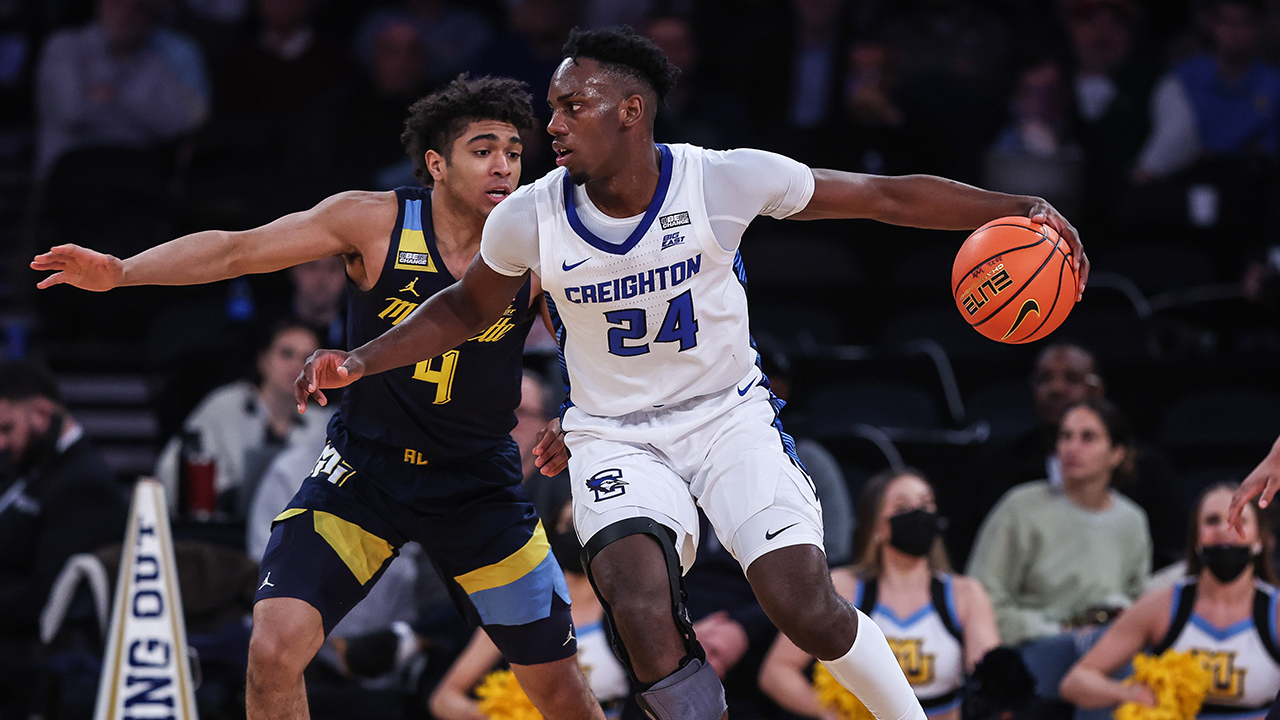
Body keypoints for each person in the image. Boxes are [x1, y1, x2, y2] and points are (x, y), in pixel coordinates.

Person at [292, 25, 1089, 720]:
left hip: (726, 418)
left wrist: (1014, 207)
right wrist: (360, 359)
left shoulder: (721, 178)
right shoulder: (529, 214)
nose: (552, 123)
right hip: (612, 437)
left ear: (630, 111)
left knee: (803, 606)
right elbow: (463, 310)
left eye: (573, 106)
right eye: (553, 107)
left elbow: (881, 196)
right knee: (638, 607)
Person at [31, 74, 604, 720]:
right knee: (272, 650)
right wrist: (124, 271)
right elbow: (237, 251)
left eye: (512, 150)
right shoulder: (373, 220)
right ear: (437, 165)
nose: (503, 166)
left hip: (477, 488)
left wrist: (575, 418)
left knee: (558, 688)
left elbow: (594, 356)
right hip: (365, 475)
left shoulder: (536, 244)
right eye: (482, 149)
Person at [759, 468, 1000, 720]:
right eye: (903, 508)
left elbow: (992, 684)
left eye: (926, 505)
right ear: (876, 526)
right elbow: (776, 672)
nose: (918, 515)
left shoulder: (965, 593)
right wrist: (830, 713)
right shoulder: (841, 587)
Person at [1060, 483, 1280, 719]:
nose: (1225, 529)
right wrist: (1130, 694)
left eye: (1239, 520)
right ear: (1196, 539)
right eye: (1212, 520)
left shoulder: (1275, 610)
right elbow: (1076, 681)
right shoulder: (1161, 605)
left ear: (1262, 539)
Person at [0, 360, 129, 720]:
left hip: (31, 649)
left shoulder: (83, 483)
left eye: (7, 428)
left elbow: (49, 594)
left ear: (42, 413)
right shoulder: (32, 467)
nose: (1, 442)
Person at [430, 493, 630, 720]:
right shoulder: (519, 605)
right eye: (566, 525)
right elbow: (444, 698)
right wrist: (503, 716)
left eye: (583, 527)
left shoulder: (627, 606)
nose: (574, 536)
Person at [153, 318, 329, 519]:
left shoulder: (323, 423)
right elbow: (168, 471)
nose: (297, 366)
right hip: (222, 533)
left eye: (308, 359)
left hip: (294, 533)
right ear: (263, 361)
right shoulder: (224, 406)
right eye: (286, 354)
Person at [33, 0, 210, 178]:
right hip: (70, 175)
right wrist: (143, 116)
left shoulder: (156, 62)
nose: (125, 14)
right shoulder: (65, 46)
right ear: (100, 6)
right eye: (117, 5)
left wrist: (111, 96)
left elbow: (179, 123)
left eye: (137, 9)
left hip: (135, 178)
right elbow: (71, 112)